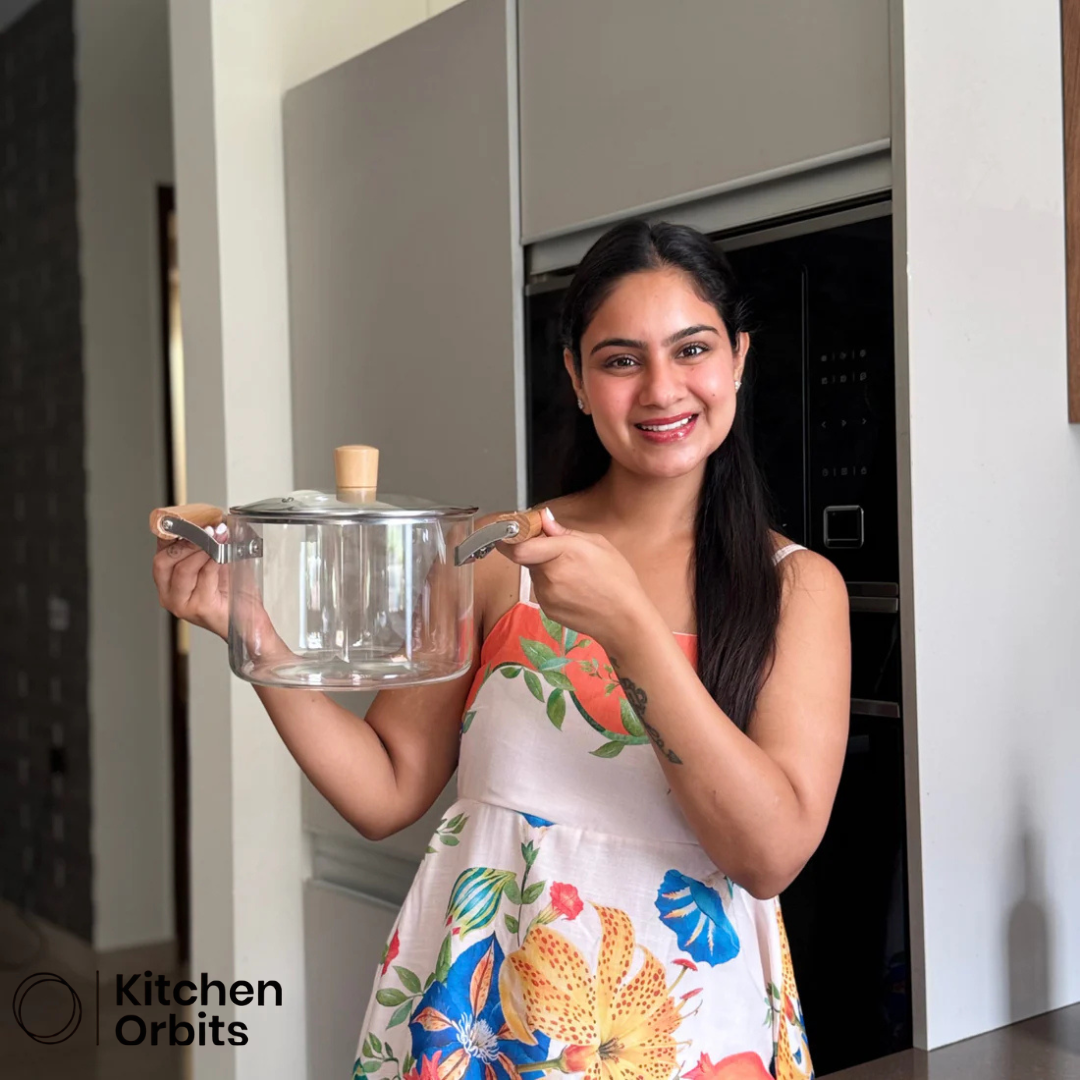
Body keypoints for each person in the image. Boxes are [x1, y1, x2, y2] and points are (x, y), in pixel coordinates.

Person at [152, 219, 850, 1080]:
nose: (663, 389)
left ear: (738, 357)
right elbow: (385, 788)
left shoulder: (798, 589)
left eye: (693, 349)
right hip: (484, 1022)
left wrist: (630, 629)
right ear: (578, 378)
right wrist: (247, 625)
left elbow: (768, 854)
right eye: (622, 359)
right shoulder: (497, 561)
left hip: (690, 1040)